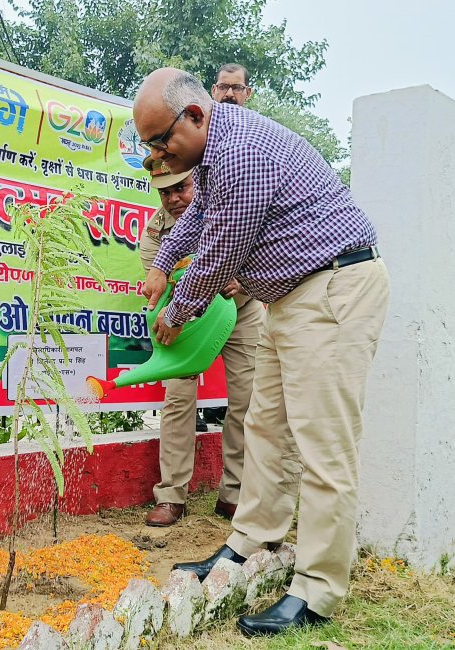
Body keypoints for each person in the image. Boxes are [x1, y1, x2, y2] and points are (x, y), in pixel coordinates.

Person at [133, 68, 389, 636]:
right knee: (266, 428)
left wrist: (177, 313)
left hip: (332, 290)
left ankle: (317, 589)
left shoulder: (243, 150)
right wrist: (159, 262)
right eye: (149, 144)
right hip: (290, 298)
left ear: (195, 116)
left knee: (323, 446)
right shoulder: (215, 152)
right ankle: (250, 543)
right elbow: (198, 219)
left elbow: (223, 248)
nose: (157, 153)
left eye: (159, 139)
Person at [139, 156, 264, 526]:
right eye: (165, 192)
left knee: (247, 401)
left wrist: (242, 280)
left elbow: (260, 255)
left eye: (181, 187)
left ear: (199, 179)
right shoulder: (154, 236)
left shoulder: (231, 203)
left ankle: (234, 495)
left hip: (241, 310)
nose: (174, 198)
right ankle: (171, 496)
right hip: (188, 320)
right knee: (178, 399)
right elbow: (165, 294)